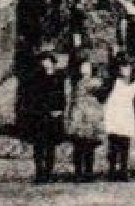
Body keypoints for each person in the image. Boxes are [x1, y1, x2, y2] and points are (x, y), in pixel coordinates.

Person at [27, 51, 66, 183]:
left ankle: (49, 173)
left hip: (54, 116)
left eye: (48, 61)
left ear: (53, 63)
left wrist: (60, 110)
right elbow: (33, 96)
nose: (46, 64)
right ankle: (39, 173)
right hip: (40, 116)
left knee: (51, 146)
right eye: (44, 61)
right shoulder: (37, 78)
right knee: (38, 146)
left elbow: (62, 95)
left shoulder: (59, 77)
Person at [65, 60, 104, 182]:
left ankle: (88, 172)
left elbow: (100, 93)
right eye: (83, 67)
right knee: (78, 145)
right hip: (78, 115)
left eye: (87, 67)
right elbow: (71, 99)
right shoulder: (75, 83)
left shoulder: (96, 82)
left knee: (90, 145)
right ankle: (78, 173)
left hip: (91, 116)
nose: (85, 69)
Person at [104, 58, 135, 181]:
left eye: (128, 68)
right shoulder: (113, 82)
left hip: (126, 117)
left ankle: (123, 172)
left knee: (125, 145)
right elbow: (106, 99)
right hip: (115, 117)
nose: (126, 70)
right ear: (119, 69)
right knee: (113, 146)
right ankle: (112, 172)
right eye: (123, 68)